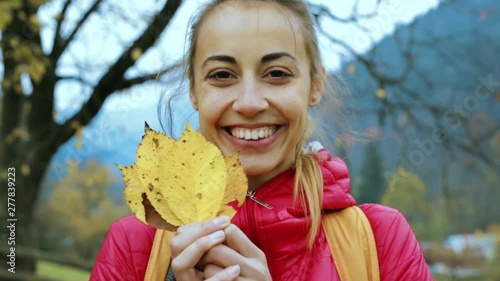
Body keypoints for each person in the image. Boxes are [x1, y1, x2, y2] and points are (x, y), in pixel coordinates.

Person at [90, 0, 433, 280]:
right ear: (194, 91)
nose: (250, 103)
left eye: (277, 74)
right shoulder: (134, 248)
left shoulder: (380, 242)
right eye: (222, 75)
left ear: (315, 86)